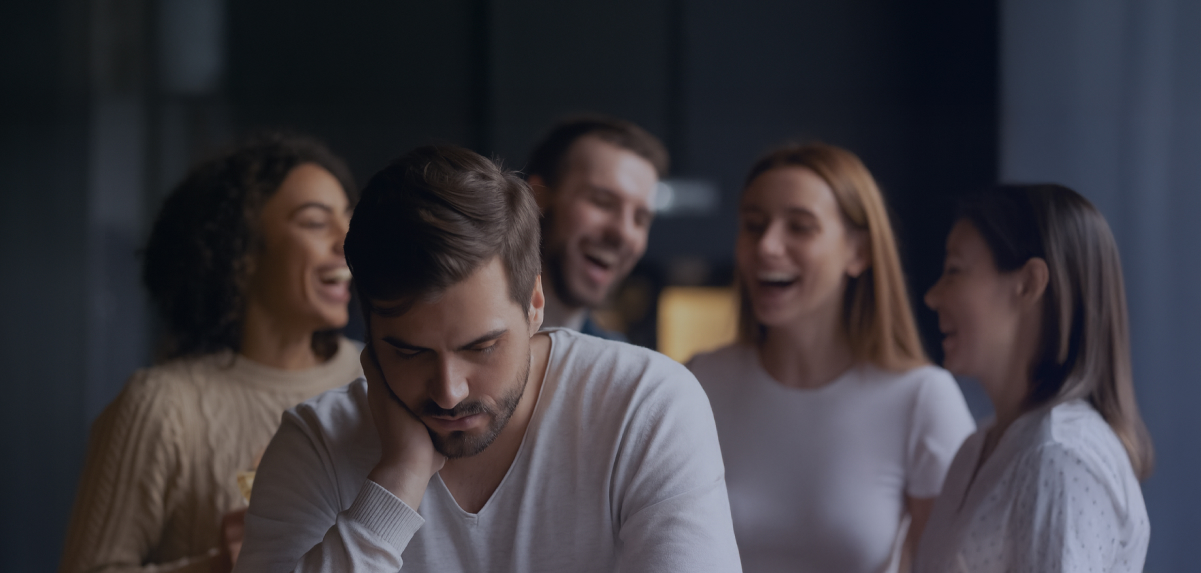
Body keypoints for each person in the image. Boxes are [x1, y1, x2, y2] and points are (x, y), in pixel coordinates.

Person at [233, 145, 741, 572]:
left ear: (535, 304)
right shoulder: (316, 446)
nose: (448, 391)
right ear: (369, 335)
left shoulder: (646, 406)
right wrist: (395, 484)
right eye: (409, 351)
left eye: (481, 347)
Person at [59, 132, 365, 573]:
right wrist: (221, 564)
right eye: (316, 223)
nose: (347, 239)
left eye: (349, 218)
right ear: (242, 251)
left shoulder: (378, 377)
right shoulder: (162, 408)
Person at [688, 143, 976, 573]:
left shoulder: (921, 398)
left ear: (858, 252)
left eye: (800, 227)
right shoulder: (698, 382)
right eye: (753, 225)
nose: (767, 245)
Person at [915, 184, 1153, 572]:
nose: (933, 296)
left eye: (954, 271)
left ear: (1027, 284)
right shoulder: (977, 448)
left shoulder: (1058, 456)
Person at [525, 115, 668, 340]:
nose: (624, 232)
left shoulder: (617, 357)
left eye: (640, 219)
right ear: (537, 196)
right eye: (602, 202)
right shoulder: (466, 327)